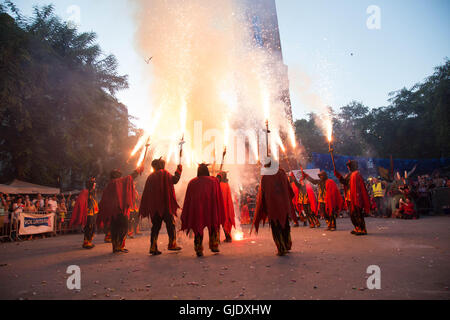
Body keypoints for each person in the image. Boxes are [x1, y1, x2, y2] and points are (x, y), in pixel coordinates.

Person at [181, 164, 225, 257]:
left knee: (198, 228)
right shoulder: (213, 181)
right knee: (213, 225)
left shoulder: (192, 182)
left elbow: (188, 199)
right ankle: (214, 245)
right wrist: (220, 174)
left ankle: (198, 248)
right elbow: (218, 179)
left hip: (198, 209)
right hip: (210, 208)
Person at [139, 158, 182, 255]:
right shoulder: (164, 173)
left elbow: (147, 193)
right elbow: (175, 180)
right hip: (165, 206)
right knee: (171, 225)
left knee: (155, 227)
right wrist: (179, 170)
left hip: (155, 207)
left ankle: (153, 246)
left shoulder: (150, 177)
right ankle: (172, 244)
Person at [253, 165, 297, 256]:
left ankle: (281, 248)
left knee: (276, 227)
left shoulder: (265, 176)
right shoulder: (282, 173)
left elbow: (263, 194)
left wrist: (263, 207)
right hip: (283, 205)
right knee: (285, 225)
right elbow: (289, 190)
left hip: (273, 206)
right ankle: (287, 244)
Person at [97, 167, 143, 253]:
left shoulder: (109, 185)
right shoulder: (117, 182)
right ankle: (119, 246)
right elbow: (129, 178)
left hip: (113, 212)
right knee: (123, 228)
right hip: (120, 211)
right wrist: (137, 171)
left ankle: (116, 247)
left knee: (115, 229)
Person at [335, 160, 370, 235]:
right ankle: (357, 227)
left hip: (356, 198)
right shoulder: (349, 175)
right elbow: (344, 182)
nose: (348, 168)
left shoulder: (357, 174)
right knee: (352, 214)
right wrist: (339, 176)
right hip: (349, 197)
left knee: (358, 214)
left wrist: (358, 197)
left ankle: (362, 229)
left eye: (349, 166)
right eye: (348, 166)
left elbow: (360, 188)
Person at [69, 177, 98, 249]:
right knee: (88, 227)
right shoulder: (85, 192)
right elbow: (81, 202)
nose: (95, 185)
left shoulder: (93, 192)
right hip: (88, 213)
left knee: (92, 227)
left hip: (93, 213)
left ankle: (89, 241)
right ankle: (86, 242)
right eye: (94, 184)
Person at [217, 171, 235, 242]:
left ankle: (216, 239)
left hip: (219, 206)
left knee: (217, 222)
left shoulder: (218, 185)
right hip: (225, 207)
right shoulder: (226, 185)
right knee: (225, 222)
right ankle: (228, 237)